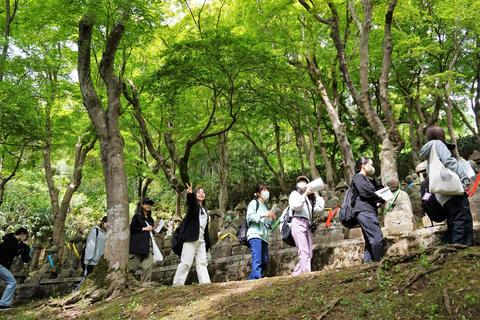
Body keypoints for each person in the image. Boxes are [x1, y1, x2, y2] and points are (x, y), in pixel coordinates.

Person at [419, 125, 473, 246]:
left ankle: (453, 246)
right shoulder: (438, 144)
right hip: (452, 191)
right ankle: (461, 247)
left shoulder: (428, 155)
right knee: (462, 218)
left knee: (453, 219)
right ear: (440, 135)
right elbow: (449, 161)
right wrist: (464, 178)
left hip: (442, 193)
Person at [172, 184, 211, 286]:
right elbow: (191, 202)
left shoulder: (205, 210)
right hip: (190, 238)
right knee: (186, 263)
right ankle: (177, 284)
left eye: (203, 192)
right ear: (195, 195)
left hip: (201, 239)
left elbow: (206, 228)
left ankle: (205, 284)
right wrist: (189, 194)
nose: (201, 194)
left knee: (202, 262)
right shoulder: (193, 206)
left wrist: (207, 243)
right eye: (198, 192)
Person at [352, 157, 386, 263]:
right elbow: (365, 192)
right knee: (377, 237)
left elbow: (369, 194)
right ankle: (379, 263)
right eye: (370, 164)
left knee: (369, 240)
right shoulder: (358, 177)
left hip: (368, 210)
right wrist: (380, 198)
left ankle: (368, 265)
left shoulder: (367, 179)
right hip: (364, 211)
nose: (372, 167)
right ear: (363, 165)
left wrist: (377, 202)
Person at [288, 176, 325, 275]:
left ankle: (296, 275)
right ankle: (307, 275)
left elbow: (319, 209)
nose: (302, 182)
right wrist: (304, 194)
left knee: (309, 252)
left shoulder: (308, 200)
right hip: (297, 222)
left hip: (306, 224)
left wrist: (316, 195)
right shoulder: (294, 194)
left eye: (304, 181)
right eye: (300, 181)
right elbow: (296, 206)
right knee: (303, 251)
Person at [245, 185, 276, 280]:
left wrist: (271, 218)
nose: (266, 192)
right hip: (255, 234)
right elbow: (249, 217)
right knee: (257, 258)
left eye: (267, 190)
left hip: (264, 236)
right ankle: (257, 279)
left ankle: (251, 279)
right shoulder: (254, 203)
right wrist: (264, 214)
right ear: (258, 193)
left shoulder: (266, 206)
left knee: (265, 260)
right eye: (264, 190)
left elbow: (267, 223)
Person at [0, 227, 30, 310]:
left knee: (11, 282)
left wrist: (25, 247)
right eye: (25, 236)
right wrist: (23, 245)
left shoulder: (14, 242)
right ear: (22, 234)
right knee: (12, 282)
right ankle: (3, 304)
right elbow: (15, 251)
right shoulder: (11, 241)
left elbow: (25, 259)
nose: (25, 239)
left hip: (2, 265)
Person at [129, 197, 156, 282]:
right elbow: (131, 229)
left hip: (148, 246)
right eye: (146, 203)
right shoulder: (137, 216)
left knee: (148, 266)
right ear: (142, 205)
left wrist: (154, 230)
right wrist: (144, 229)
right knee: (130, 268)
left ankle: (145, 286)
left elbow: (150, 231)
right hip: (137, 246)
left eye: (150, 204)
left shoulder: (151, 219)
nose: (148, 205)